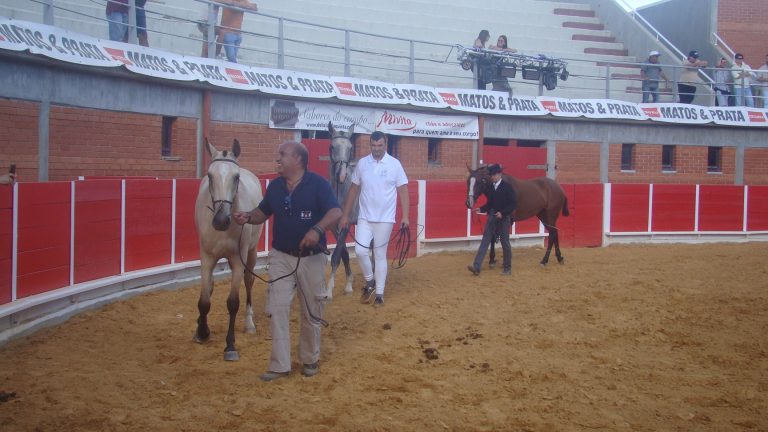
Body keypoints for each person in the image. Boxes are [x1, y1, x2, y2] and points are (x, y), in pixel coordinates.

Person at [233, 141, 341, 382]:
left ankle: (309, 358)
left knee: (312, 309)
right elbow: (263, 212)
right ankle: (280, 364)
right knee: (278, 308)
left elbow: (335, 212)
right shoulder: (275, 187)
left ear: (298, 159)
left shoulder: (318, 184)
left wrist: (316, 229)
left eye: (282, 155)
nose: (277, 159)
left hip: (311, 259)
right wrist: (248, 217)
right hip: (281, 255)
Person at [339, 131, 409, 308]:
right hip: (365, 217)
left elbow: (403, 190)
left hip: (385, 219)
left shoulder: (395, 164)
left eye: (380, 146)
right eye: (373, 146)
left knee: (379, 255)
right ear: (370, 145)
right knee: (361, 251)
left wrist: (406, 216)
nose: (377, 149)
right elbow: (354, 189)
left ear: (386, 144)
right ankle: (370, 281)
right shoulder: (363, 163)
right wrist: (346, 215)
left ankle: (379, 293)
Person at [467, 164, 516, 277]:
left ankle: (507, 268)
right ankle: (476, 266)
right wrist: (482, 208)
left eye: (493, 175)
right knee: (485, 240)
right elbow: (491, 203)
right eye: (491, 175)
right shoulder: (491, 188)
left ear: (499, 174)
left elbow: (513, 203)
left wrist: (502, 213)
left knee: (505, 242)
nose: (492, 177)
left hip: (504, 218)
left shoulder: (507, 187)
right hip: (492, 216)